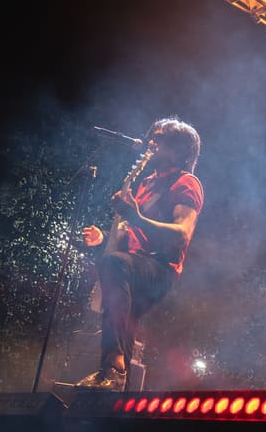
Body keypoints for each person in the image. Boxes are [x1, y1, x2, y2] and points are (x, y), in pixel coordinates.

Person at [76, 116, 204, 391]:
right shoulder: (146, 183)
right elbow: (132, 233)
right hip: (132, 265)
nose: (150, 143)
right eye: (151, 137)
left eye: (159, 139)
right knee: (120, 316)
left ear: (179, 149)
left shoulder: (186, 183)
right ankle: (113, 381)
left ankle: (114, 364)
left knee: (114, 265)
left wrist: (135, 217)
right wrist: (105, 238)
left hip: (161, 268)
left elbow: (182, 234)